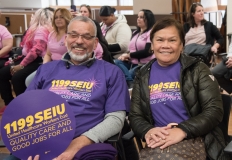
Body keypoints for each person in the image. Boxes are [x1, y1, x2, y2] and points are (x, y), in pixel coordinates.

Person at [9, 16, 129, 160]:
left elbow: (116, 119)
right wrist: (32, 144)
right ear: (66, 39)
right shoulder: (46, 70)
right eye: (73, 35)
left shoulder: (111, 72)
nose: (79, 41)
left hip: (86, 145)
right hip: (41, 142)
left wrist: (79, 143)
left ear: (95, 42)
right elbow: (25, 110)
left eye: (86, 37)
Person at [129, 17, 230, 159]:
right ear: (152, 44)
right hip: (158, 141)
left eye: (172, 40)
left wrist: (182, 130)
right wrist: (148, 130)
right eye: (159, 40)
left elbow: (214, 110)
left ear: (182, 45)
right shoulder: (142, 74)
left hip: (196, 138)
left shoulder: (198, 69)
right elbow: (135, 115)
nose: (165, 45)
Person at [0, 8, 53, 115]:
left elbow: (36, 51)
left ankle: (25, 107)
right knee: (3, 73)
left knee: (17, 77)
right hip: (31, 57)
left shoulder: (41, 30)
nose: (31, 17)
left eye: (33, 16)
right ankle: (10, 103)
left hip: (39, 60)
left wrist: (21, 65)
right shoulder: (33, 29)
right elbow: (26, 49)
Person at [25, 8, 72, 87]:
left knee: (48, 85)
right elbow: (48, 54)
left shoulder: (71, 35)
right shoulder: (52, 34)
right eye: (56, 17)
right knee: (29, 81)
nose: (58, 19)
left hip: (66, 67)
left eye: (61, 17)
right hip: (52, 65)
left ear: (67, 18)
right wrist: (44, 67)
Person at [114, 9, 155, 87]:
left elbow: (147, 51)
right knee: (116, 62)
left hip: (144, 64)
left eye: (141, 17)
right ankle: (130, 82)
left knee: (127, 74)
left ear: (148, 19)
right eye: (138, 17)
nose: (138, 19)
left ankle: (130, 84)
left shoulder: (151, 32)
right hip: (133, 62)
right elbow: (131, 49)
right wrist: (125, 56)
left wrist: (130, 55)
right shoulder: (135, 33)